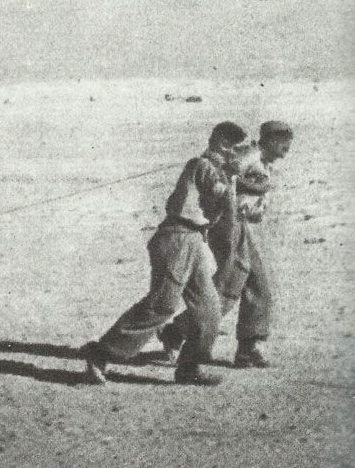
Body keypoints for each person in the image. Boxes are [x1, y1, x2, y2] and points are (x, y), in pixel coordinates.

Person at [83, 122, 247, 386]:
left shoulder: (218, 169)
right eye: (231, 146)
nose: (234, 152)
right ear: (220, 142)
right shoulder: (203, 165)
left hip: (193, 240)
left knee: (209, 310)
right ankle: (100, 354)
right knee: (162, 305)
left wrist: (234, 177)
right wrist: (235, 177)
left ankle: (189, 368)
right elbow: (220, 195)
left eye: (236, 148)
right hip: (176, 238)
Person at [159, 121, 293, 368]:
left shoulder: (261, 159)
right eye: (283, 140)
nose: (287, 146)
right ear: (270, 139)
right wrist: (257, 186)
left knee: (254, 280)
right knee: (234, 282)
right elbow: (224, 179)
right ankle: (187, 332)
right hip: (227, 222)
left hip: (237, 223)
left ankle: (245, 345)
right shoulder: (250, 154)